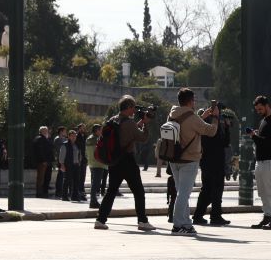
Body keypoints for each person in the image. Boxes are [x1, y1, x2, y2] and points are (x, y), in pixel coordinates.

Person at [94, 95, 156, 232]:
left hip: (114, 161)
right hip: (127, 160)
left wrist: (139, 123)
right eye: (133, 107)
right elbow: (143, 138)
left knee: (111, 191)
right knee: (138, 191)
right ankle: (142, 221)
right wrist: (146, 123)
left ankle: (100, 220)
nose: (134, 110)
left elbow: (126, 133)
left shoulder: (113, 120)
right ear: (128, 107)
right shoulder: (129, 123)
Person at [164, 88, 216, 234]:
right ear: (190, 101)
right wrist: (216, 117)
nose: (195, 102)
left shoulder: (172, 114)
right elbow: (211, 131)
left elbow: (188, 125)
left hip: (173, 159)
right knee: (183, 194)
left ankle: (186, 224)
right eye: (194, 100)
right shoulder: (193, 117)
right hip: (189, 159)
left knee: (182, 192)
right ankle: (177, 225)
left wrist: (202, 117)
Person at [193, 101, 231, 226]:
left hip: (206, 162)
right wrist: (224, 127)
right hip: (215, 162)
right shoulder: (213, 124)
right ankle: (215, 216)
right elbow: (223, 142)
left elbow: (224, 143)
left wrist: (226, 127)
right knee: (216, 190)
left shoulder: (205, 123)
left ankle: (198, 215)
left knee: (206, 190)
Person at [248, 95, 271, 230]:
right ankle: (267, 216)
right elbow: (263, 140)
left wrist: (254, 137)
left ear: (267, 106)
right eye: (257, 109)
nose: (258, 111)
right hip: (260, 161)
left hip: (270, 161)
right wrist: (256, 135)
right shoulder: (263, 121)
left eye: (260, 109)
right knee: (262, 191)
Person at [57, 125, 83, 203]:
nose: (74, 137)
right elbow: (61, 155)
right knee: (67, 181)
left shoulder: (77, 144)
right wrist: (62, 164)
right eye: (72, 136)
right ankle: (64, 196)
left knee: (76, 181)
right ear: (68, 136)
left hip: (76, 165)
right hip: (68, 165)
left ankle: (74, 196)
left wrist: (79, 161)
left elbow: (79, 154)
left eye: (75, 136)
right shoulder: (65, 145)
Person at [85, 123, 107, 209]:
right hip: (98, 164)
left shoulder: (88, 138)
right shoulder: (98, 139)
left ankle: (93, 201)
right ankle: (93, 201)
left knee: (94, 183)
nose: (102, 131)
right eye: (101, 130)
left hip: (92, 163)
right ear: (97, 130)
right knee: (95, 184)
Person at [32, 126, 52, 198]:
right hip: (42, 162)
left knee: (45, 177)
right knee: (41, 178)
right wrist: (43, 160)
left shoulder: (45, 139)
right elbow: (39, 151)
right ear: (42, 131)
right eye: (46, 131)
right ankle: (39, 193)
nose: (47, 132)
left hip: (46, 161)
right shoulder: (39, 139)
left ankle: (44, 192)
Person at [52, 126, 68, 200]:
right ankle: (58, 191)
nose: (66, 132)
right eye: (65, 131)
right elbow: (59, 149)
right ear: (61, 131)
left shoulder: (64, 139)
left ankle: (62, 190)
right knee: (60, 176)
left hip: (65, 159)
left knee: (63, 176)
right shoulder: (58, 139)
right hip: (60, 159)